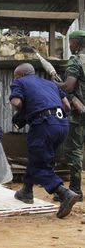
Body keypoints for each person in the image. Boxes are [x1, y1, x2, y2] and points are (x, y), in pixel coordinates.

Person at [9, 63, 79, 218]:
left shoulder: (20, 82)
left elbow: (16, 103)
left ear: (20, 75)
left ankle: (64, 193)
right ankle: (26, 191)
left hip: (44, 124)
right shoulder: (50, 83)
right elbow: (66, 105)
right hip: (62, 124)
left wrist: (25, 113)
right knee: (37, 158)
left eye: (15, 76)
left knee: (40, 165)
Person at [55, 30, 85, 202]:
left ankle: (75, 190)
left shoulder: (76, 60)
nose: (70, 46)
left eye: (71, 42)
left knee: (74, 151)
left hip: (79, 115)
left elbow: (68, 86)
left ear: (77, 43)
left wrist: (55, 83)